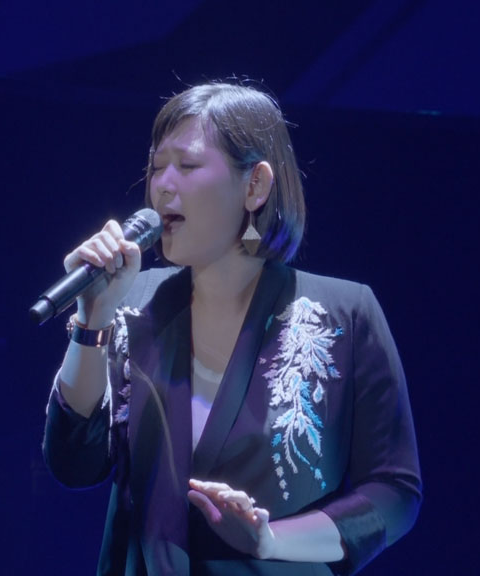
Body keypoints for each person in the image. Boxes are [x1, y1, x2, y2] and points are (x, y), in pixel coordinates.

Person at [42, 82, 422, 575]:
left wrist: (271, 539)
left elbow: (394, 492)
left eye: (187, 165)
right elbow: (74, 464)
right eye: (156, 167)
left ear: (255, 186)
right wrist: (91, 320)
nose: (162, 186)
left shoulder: (343, 314)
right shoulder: (133, 303)